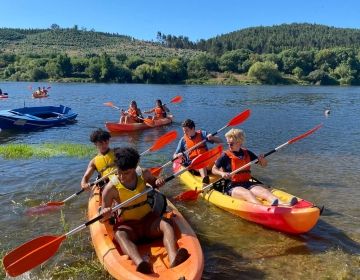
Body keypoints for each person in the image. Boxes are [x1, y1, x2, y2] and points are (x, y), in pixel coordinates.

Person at [100, 147, 189, 274]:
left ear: (134, 168)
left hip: (148, 221)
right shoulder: (110, 189)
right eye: (119, 172)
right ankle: (140, 263)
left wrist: (159, 181)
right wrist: (105, 214)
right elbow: (104, 220)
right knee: (120, 234)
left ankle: (174, 257)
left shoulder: (143, 173)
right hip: (129, 227)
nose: (121, 176)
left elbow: (155, 183)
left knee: (166, 223)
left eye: (126, 173)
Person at [212, 128, 298, 206]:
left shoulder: (247, 153)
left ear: (239, 142)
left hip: (246, 183)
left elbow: (264, 165)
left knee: (264, 192)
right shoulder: (225, 155)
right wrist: (222, 173)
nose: (229, 146)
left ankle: (284, 204)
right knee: (248, 194)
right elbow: (214, 169)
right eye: (228, 143)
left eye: (231, 144)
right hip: (232, 186)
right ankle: (264, 209)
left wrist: (262, 159)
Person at [173, 119, 222, 183]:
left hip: (207, 162)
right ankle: (205, 182)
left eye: (186, 130)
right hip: (194, 165)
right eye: (184, 131)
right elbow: (174, 156)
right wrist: (178, 155)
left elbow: (221, 141)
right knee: (200, 161)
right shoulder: (183, 140)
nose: (185, 133)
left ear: (193, 128)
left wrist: (212, 138)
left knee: (220, 157)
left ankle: (226, 175)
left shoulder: (203, 134)